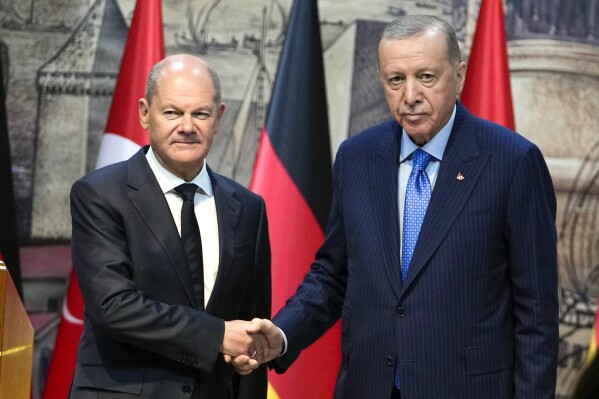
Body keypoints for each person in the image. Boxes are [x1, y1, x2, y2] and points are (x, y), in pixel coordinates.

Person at [237, 15, 559, 399]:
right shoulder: (356, 158)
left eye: (426, 77)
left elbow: (537, 316)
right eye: (396, 80)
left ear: (458, 76)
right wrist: (284, 333)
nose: (410, 95)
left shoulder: (512, 162)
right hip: (368, 386)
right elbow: (333, 275)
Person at [69, 54, 271, 398]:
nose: (187, 126)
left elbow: (250, 328)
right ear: (145, 113)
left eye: (201, 114)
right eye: (172, 112)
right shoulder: (99, 194)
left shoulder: (248, 207)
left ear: (219, 117)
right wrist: (217, 335)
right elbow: (114, 307)